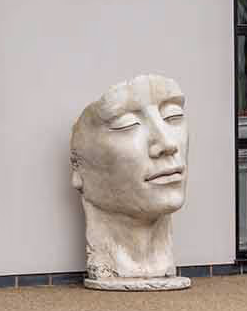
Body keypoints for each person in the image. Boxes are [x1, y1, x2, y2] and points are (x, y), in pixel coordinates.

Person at [69, 74, 191, 290]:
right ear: (79, 168)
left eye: (173, 116)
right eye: (127, 124)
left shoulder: (167, 144)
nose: (167, 143)